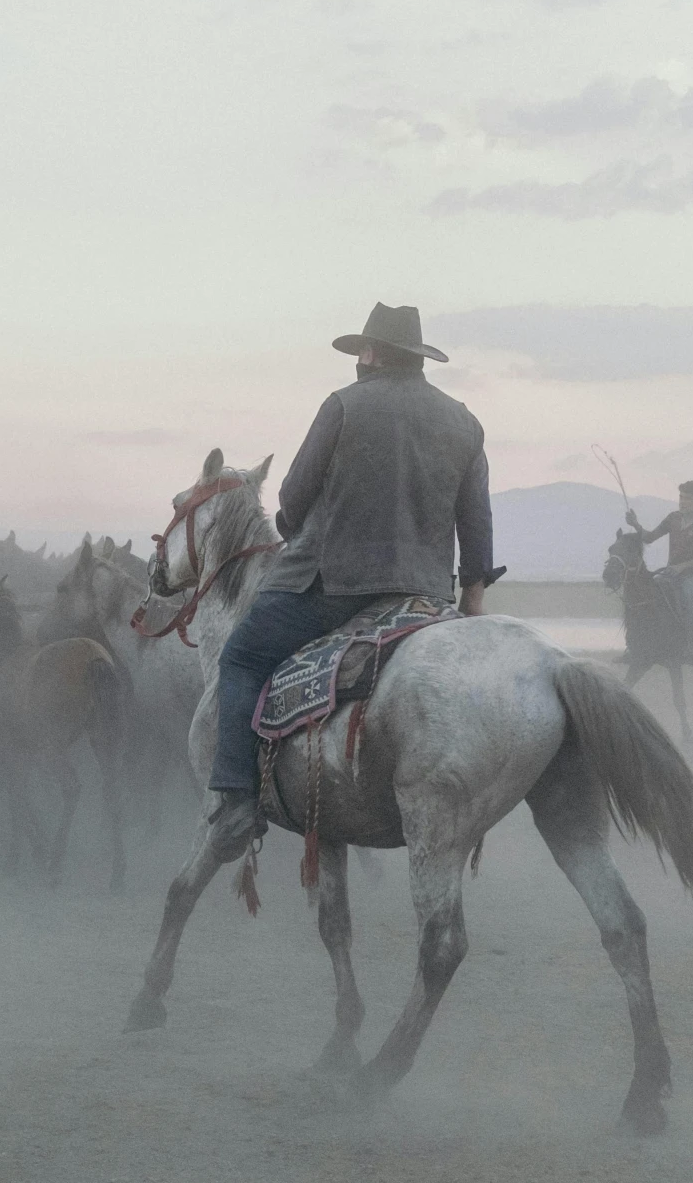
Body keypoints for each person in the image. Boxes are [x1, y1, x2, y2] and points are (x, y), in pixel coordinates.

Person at [206, 302, 504, 855]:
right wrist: (471, 597)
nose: (357, 361)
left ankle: (235, 802)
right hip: (424, 598)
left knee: (242, 657)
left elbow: (293, 499)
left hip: (334, 589)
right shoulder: (465, 421)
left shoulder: (343, 405)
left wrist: (294, 529)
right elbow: (476, 519)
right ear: (415, 358)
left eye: (360, 351)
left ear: (372, 354)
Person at [630, 480, 693, 663]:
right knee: (647, 593)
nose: (682, 502)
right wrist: (636, 525)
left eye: (688, 499)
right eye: (681, 497)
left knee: (686, 596)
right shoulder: (672, 519)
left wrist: (682, 567)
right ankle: (639, 644)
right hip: (670, 573)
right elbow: (650, 537)